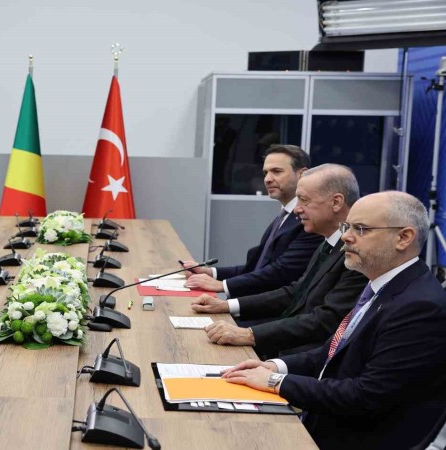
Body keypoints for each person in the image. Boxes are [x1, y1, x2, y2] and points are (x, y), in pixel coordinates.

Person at [220, 191, 446, 449]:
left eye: (361, 229)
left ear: (404, 238)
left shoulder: (420, 307)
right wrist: (274, 367)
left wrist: (275, 383)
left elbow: (365, 396)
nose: (346, 237)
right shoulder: (381, 285)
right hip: (323, 422)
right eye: (346, 227)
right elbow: (330, 353)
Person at [190, 164, 367, 358]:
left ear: (336, 202)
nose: (297, 209)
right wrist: (227, 305)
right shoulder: (328, 241)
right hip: (287, 343)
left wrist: (249, 335)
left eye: (304, 200)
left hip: (304, 356)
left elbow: (326, 320)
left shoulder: (357, 252)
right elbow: (296, 292)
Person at [183, 145, 323, 298]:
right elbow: (257, 267)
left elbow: (281, 272)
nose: (267, 179)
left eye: (276, 171)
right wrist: (210, 272)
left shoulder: (309, 220)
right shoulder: (284, 215)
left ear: (302, 174)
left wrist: (221, 285)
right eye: (265, 173)